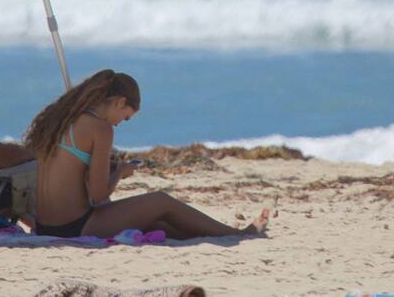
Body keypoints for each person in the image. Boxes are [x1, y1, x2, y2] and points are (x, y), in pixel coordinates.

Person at [23, 69, 269, 239]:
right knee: (160, 201)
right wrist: (120, 172)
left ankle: (219, 232)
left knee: (158, 223)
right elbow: (98, 197)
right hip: (74, 227)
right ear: (120, 102)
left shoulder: (62, 119)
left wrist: (101, 166)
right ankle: (239, 235)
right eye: (127, 116)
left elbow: (69, 174)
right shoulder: (101, 128)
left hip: (44, 225)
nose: (122, 122)